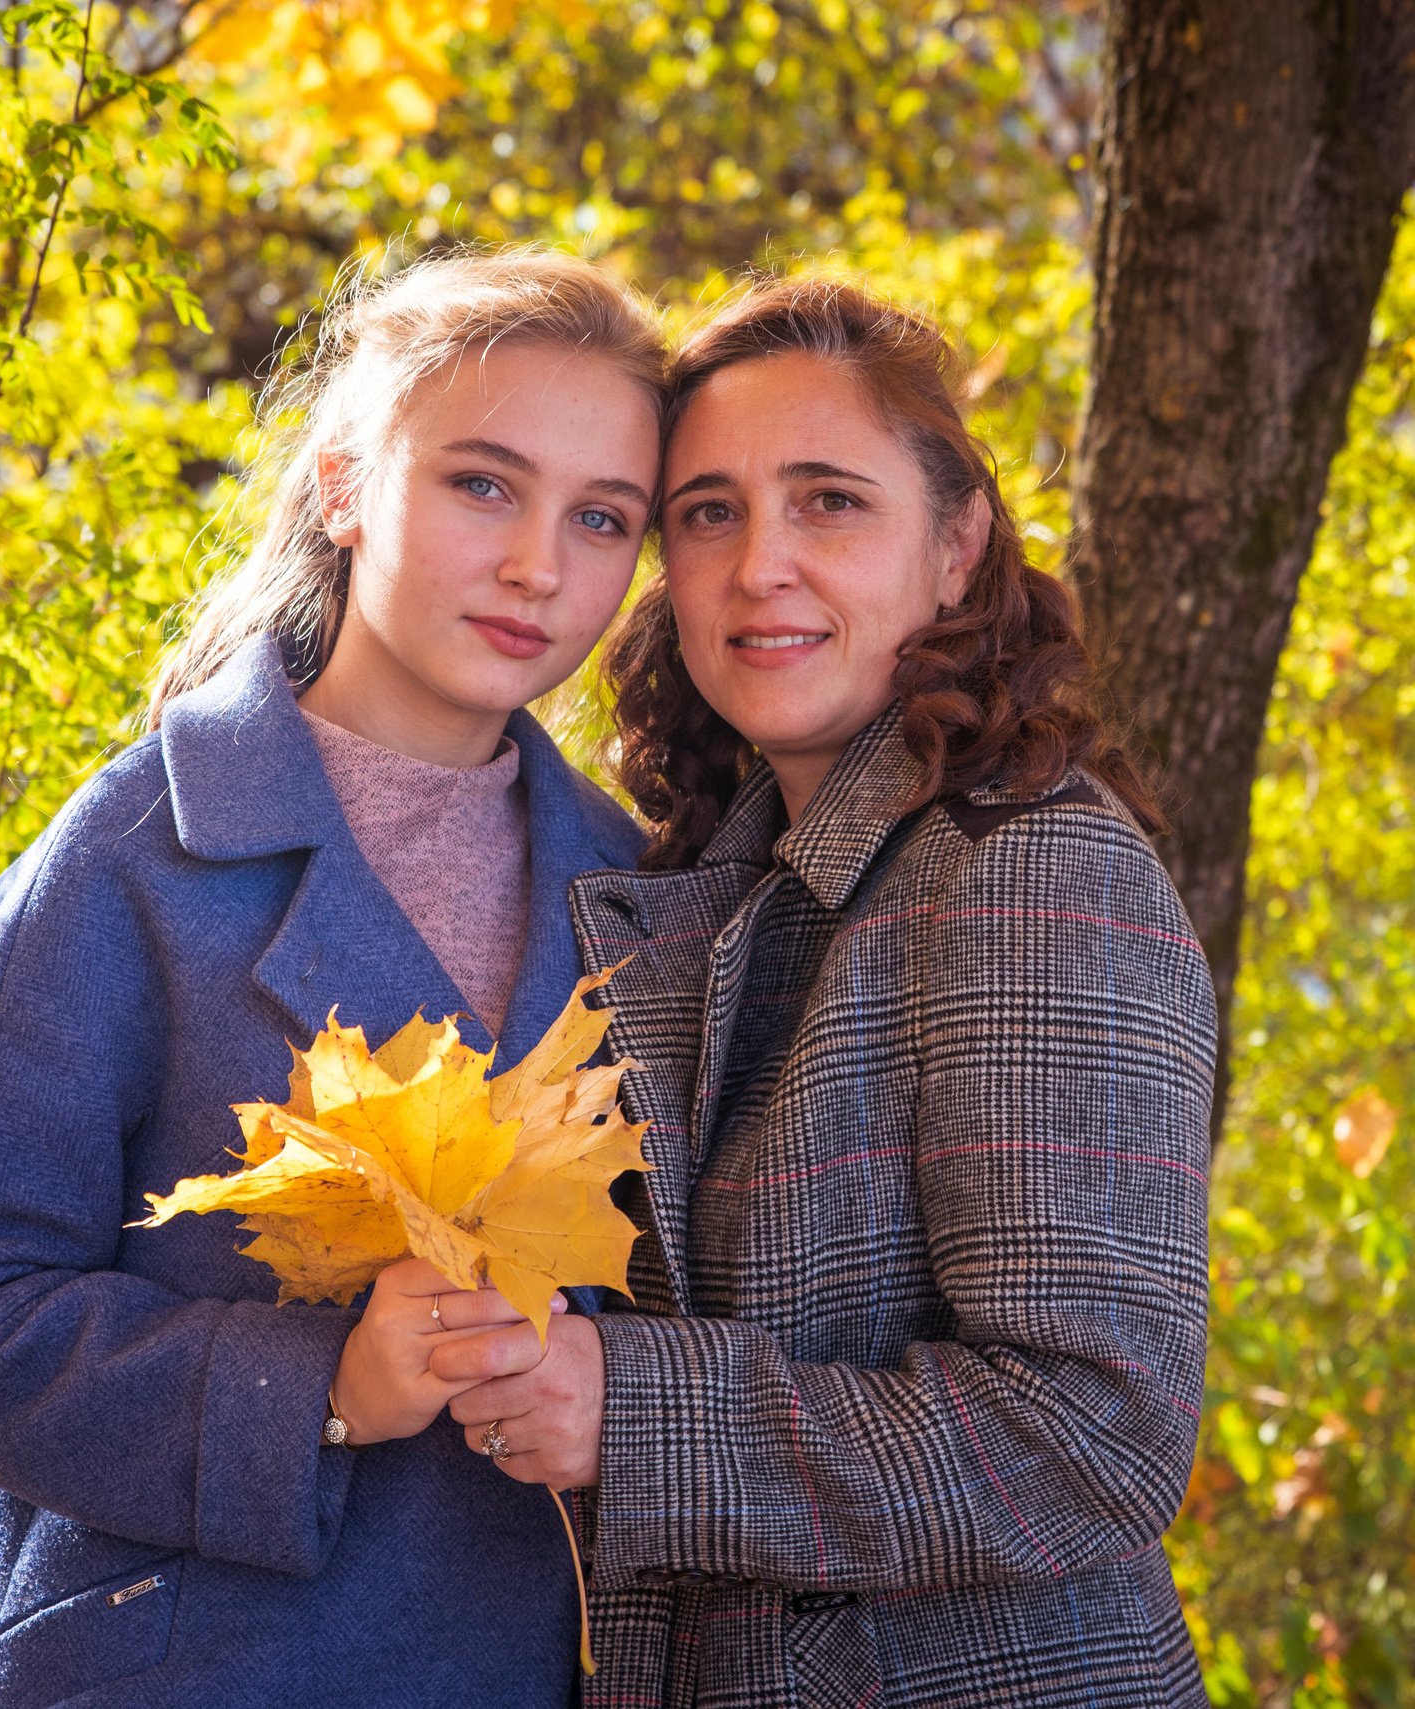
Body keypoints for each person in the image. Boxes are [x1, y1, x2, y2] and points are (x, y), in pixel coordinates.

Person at [0, 249, 660, 1708]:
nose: (541, 564)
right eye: (482, 484)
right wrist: (321, 1394)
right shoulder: (136, 854)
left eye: (601, 517)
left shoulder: (637, 893)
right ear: (348, 484)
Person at [432, 276, 1214, 1706]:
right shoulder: (737, 884)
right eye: (709, 511)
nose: (759, 565)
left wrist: (632, 1410)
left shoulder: (1027, 872)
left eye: (830, 502)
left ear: (957, 545)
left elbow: (1097, 1434)